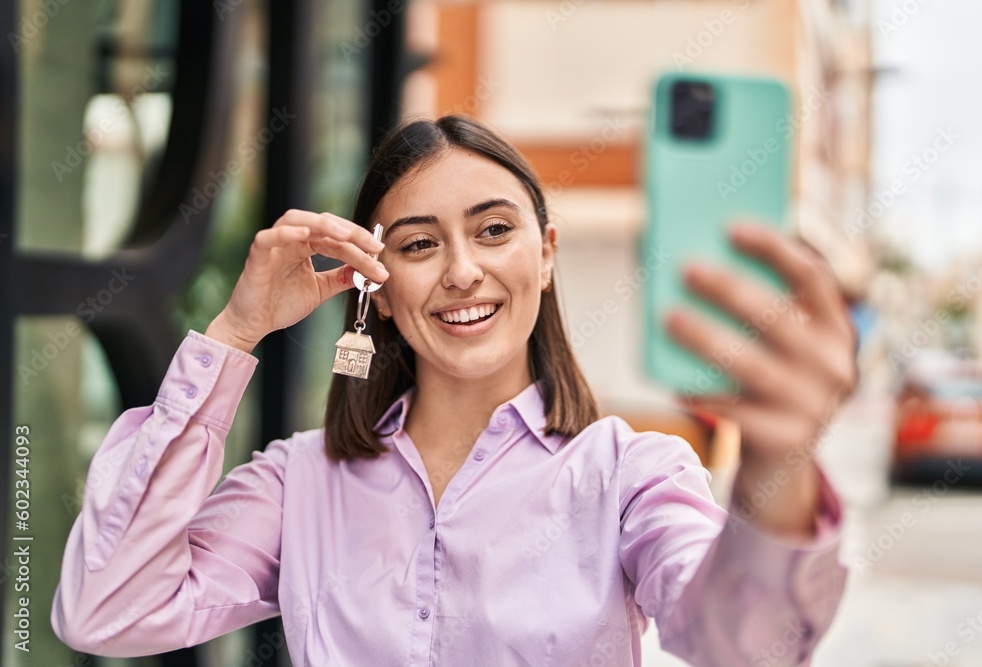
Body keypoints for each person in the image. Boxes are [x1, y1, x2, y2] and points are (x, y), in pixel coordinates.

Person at [51, 115, 857, 666]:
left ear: (545, 254)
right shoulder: (299, 483)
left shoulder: (630, 475)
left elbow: (745, 641)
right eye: (419, 243)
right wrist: (233, 333)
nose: (463, 270)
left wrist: (776, 470)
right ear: (379, 284)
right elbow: (105, 608)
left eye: (495, 229)